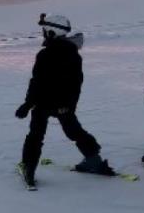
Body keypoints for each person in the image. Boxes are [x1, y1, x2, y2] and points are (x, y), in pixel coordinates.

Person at [14, 13, 115, 188]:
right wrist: (69, 106)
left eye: (45, 31)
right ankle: (94, 160)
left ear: (51, 32)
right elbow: (76, 84)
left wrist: (27, 104)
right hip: (64, 104)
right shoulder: (74, 55)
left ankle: (28, 168)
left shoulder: (44, 55)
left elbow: (37, 83)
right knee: (74, 131)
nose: (43, 34)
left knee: (35, 135)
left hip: (43, 103)